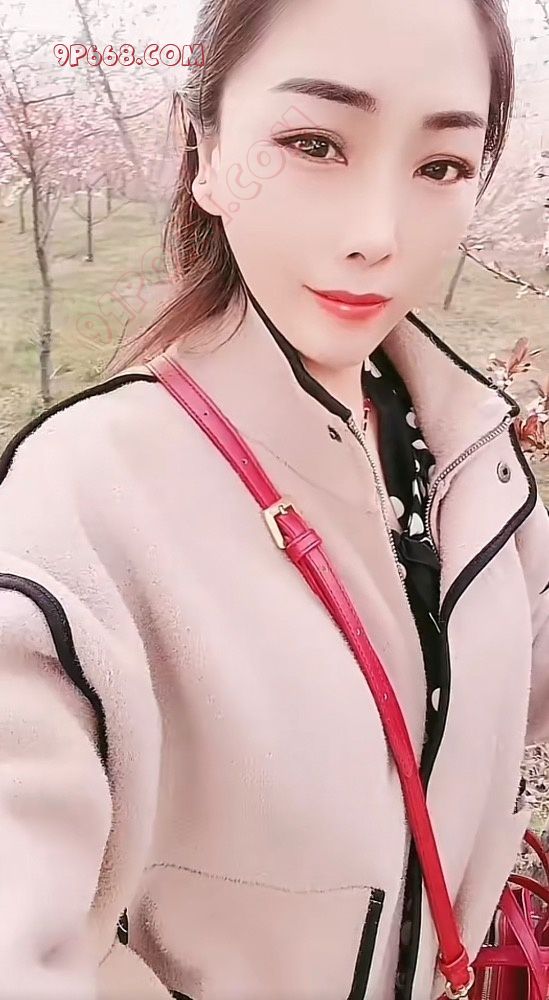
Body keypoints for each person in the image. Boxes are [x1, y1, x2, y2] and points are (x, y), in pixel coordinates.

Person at [1, 0, 548, 997]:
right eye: (314, 144)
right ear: (206, 153)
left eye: (440, 166)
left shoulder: (464, 453)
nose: (377, 236)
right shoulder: (79, 502)